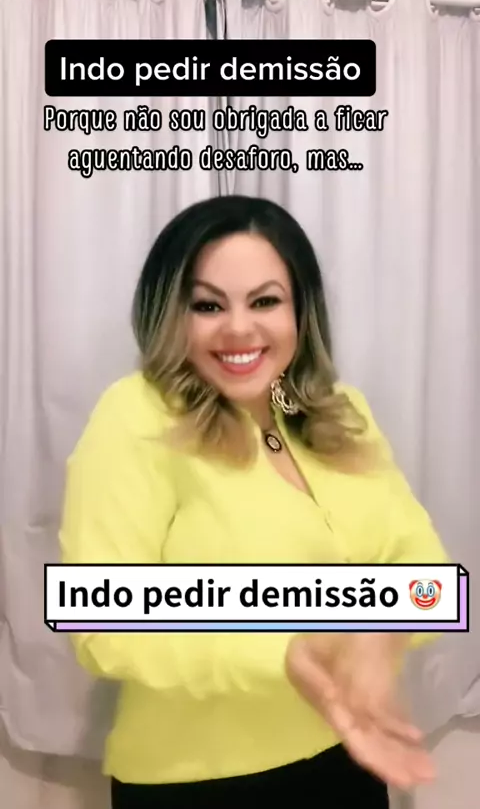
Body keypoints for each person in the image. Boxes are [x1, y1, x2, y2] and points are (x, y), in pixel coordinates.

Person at [59, 194, 449, 809]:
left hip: (347, 760)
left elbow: (427, 576)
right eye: (208, 305)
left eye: (265, 301)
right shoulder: (135, 416)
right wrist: (286, 652)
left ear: (301, 309)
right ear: (171, 314)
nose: (239, 329)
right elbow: (100, 618)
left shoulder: (340, 413)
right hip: (194, 783)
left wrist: (385, 631)